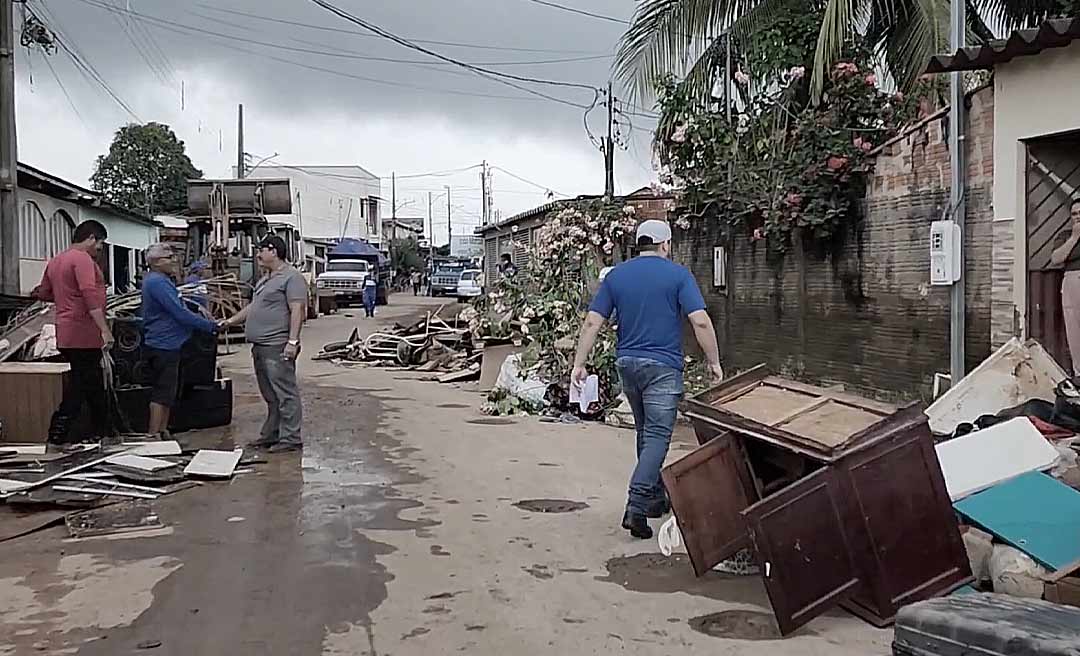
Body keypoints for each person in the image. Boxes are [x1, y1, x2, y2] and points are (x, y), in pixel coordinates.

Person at [571, 220, 724, 540]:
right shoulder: (678, 275)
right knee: (656, 437)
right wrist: (713, 361)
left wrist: (579, 364)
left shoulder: (617, 276)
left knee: (646, 433)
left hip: (628, 364)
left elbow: (591, 323)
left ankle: (654, 498)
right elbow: (701, 322)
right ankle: (636, 505)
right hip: (663, 368)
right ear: (665, 244)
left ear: (640, 243)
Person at [220, 236, 307, 453]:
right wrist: (230, 321)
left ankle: (291, 438)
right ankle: (271, 434)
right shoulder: (265, 279)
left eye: (261, 250)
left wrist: (292, 342)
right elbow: (253, 307)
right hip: (260, 346)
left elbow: (298, 310)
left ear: (274, 251)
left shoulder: (292, 278)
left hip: (277, 345)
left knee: (285, 393)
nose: (258, 255)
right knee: (270, 394)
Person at [33, 220, 113, 443]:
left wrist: (65, 295)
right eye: (100, 243)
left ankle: (101, 432)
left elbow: (44, 293)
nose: (100, 249)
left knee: (92, 383)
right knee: (81, 384)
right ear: (90, 238)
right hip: (84, 332)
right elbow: (89, 294)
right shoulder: (83, 260)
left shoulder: (56, 261)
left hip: (66, 331)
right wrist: (104, 329)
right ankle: (59, 431)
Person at [140, 244, 218, 437]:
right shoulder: (157, 282)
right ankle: (154, 435)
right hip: (163, 344)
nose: (173, 261)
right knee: (162, 392)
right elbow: (179, 313)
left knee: (168, 392)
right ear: (157, 262)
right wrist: (210, 326)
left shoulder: (162, 281)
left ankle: (163, 430)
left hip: (170, 343)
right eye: (169, 257)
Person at [1051, 198, 1080, 375]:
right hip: (1072, 282)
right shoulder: (1065, 236)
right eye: (1074, 214)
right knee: (1075, 331)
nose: (1078, 217)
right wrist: (1075, 237)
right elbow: (1056, 259)